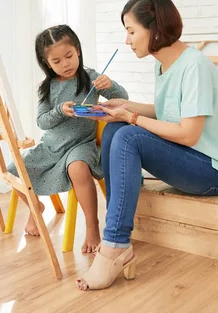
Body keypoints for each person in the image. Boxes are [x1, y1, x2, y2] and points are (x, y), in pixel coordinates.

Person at [77, 0, 218, 290]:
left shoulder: (194, 66)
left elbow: (188, 134)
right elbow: (169, 113)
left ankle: (114, 245)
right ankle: (117, 239)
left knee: (127, 134)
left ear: (154, 28)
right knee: (116, 129)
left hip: (214, 172)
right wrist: (126, 108)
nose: (127, 41)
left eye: (131, 31)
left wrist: (131, 119)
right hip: (190, 157)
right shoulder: (164, 64)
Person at [7, 24, 128, 253]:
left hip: (81, 145)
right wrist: (60, 110)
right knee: (14, 169)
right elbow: (42, 122)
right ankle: (36, 208)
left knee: (78, 169)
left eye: (69, 56)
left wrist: (110, 85)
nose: (66, 64)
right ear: (47, 64)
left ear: (78, 51)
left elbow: (122, 98)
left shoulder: (90, 76)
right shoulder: (47, 88)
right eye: (57, 61)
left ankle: (92, 225)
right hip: (51, 147)